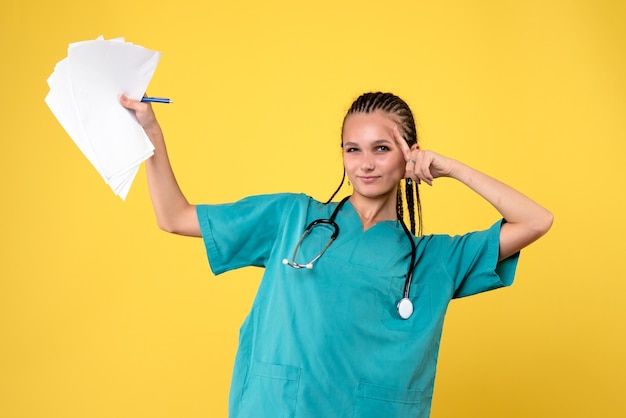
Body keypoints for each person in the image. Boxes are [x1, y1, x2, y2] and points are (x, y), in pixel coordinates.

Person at [120, 92, 553, 418]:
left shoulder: (435, 259)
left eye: (381, 148)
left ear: (409, 154)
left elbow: (536, 220)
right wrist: (150, 133)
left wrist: (452, 169)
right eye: (353, 148)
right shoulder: (292, 218)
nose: (365, 163)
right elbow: (174, 216)